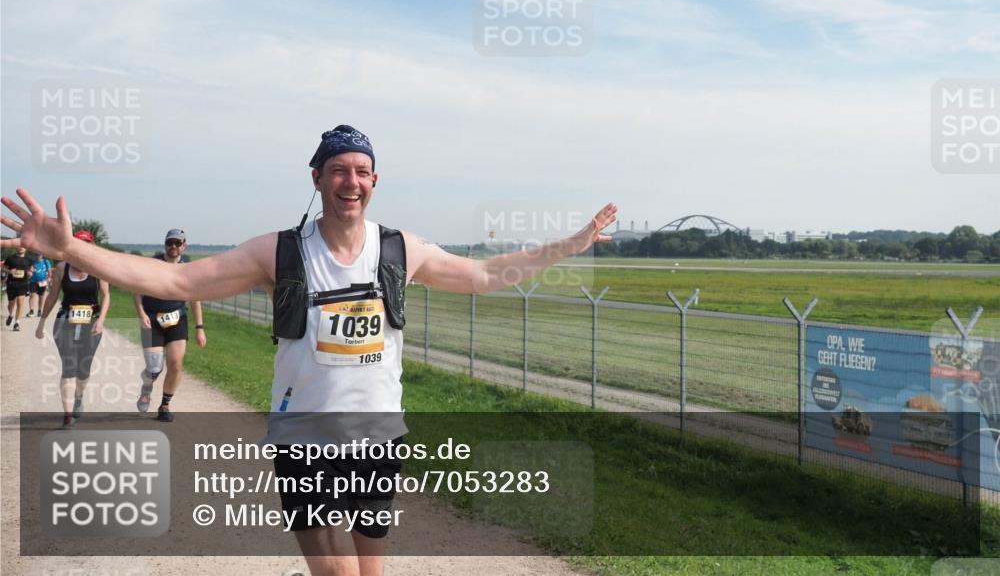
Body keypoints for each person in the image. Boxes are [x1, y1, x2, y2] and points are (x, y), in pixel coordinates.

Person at [1, 125, 616, 576]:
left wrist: (570, 244)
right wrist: (73, 252)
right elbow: (177, 282)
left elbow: (485, 274)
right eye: (339, 169)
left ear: (374, 181)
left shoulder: (404, 249)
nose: (352, 181)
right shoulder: (280, 251)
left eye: (362, 170)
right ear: (318, 178)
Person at [35, 230, 110, 426]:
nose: (81, 247)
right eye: (77, 243)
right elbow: (52, 296)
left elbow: (106, 295)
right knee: (69, 367)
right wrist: (41, 322)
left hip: (91, 324)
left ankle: (78, 397)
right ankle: (67, 415)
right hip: (65, 322)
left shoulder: (100, 269)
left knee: (83, 369)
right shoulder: (62, 268)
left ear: (91, 246)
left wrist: (101, 319)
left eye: (85, 243)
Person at [133, 229, 206, 422]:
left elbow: (195, 299)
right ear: (165, 244)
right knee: (155, 368)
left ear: (184, 245)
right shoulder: (154, 265)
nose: (173, 246)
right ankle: (146, 388)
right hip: (152, 320)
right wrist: (141, 314)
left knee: (175, 364)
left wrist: (200, 328)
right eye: (169, 243)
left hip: (177, 320)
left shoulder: (188, 270)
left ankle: (165, 405)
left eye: (177, 243)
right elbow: (137, 290)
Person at [3, 245, 34, 331]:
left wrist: (30, 273)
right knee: (11, 304)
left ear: (26, 249)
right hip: (11, 283)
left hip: (23, 284)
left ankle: (17, 323)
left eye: (23, 246)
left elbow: (31, 269)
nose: (21, 248)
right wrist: (9, 271)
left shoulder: (28, 260)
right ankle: (11, 314)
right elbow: (3, 268)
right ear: (16, 248)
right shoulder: (10, 258)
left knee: (20, 304)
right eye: (19, 246)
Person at [28, 251, 53, 316]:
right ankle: (31, 310)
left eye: (39, 255)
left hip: (43, 281)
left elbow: (49, 271)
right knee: (32, 295)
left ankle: (40, 310)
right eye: (37, 255)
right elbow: (30, 270)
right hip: (33, 281)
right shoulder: (33, 262)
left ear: (42, 255)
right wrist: (30, 272)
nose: (38, 256)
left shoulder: (46, 261)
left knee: (41, 296)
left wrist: (49, 278)